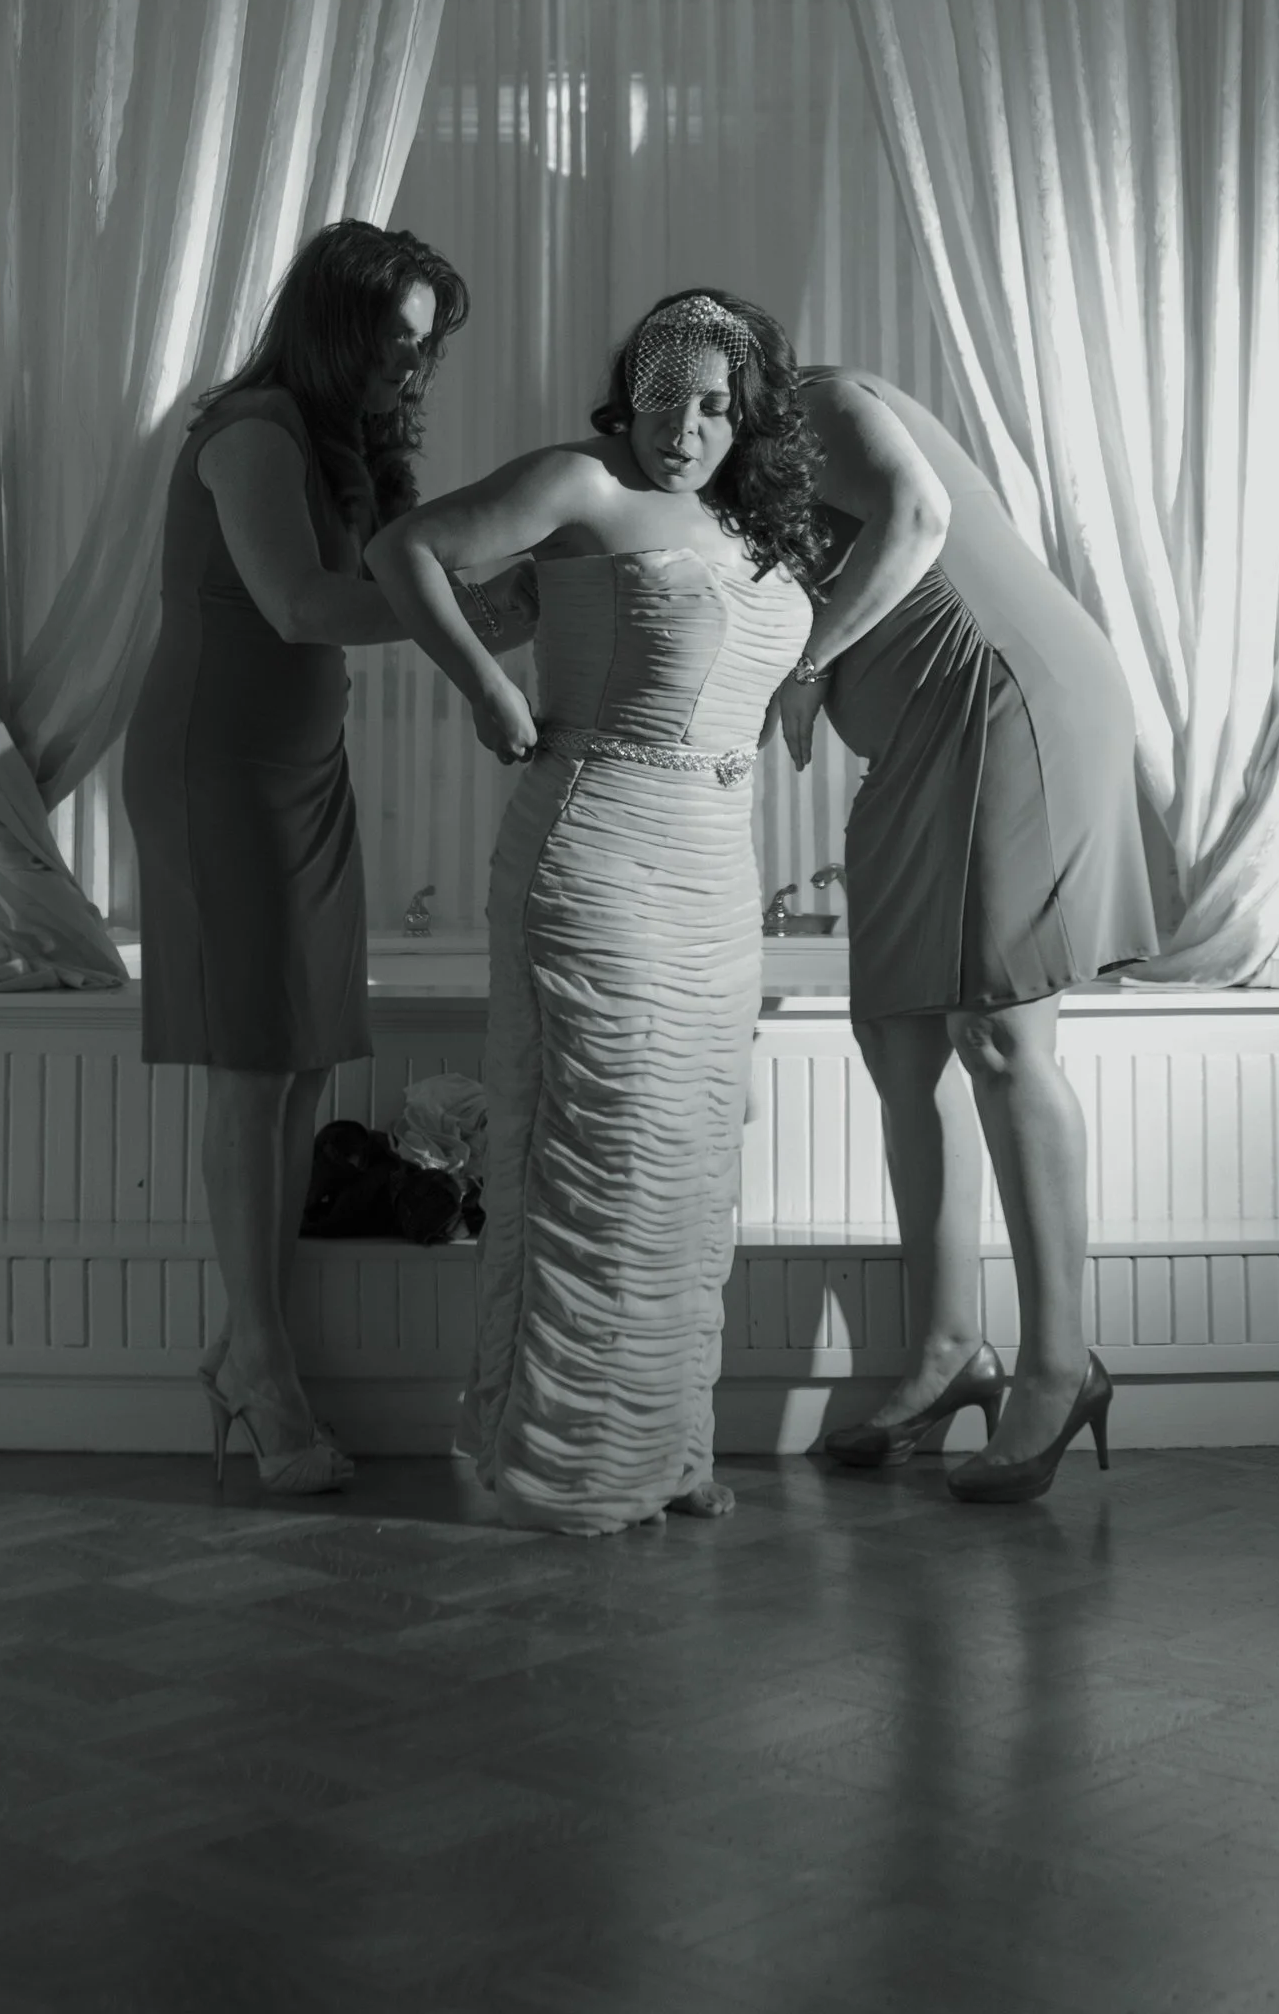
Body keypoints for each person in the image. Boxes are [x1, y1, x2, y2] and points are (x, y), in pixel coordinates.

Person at [366, 291, 817, 1535]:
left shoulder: (751, 520)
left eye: (717, 405)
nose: (685, 428)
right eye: (665, 398)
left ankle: (665, 1447)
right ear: (631, 393)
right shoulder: (582, 485)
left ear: (750, 411)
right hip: (598, 853)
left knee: (685, 1165)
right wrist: (481, 692)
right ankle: (569, 1464)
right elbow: (402, 550)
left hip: (716, 875)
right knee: (599, 1152)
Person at [123, 220, 472, 1499]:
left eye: (422, 351)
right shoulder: (256, 427)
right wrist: (471, 612)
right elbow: (300, 608)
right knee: (250, 1063)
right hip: (214, 766)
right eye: (392, 343)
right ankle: (262, 1373)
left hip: (300, 772)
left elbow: (394, 576)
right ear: (332, 327)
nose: (408, 371)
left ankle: (243, 1343)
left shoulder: (344, 440)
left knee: (303, 1058)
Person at [773, 370, 1156, 1504]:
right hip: (908, 749)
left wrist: (803, 671)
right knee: (898, 1043)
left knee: (997, 1036)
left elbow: (918, 518)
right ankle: (947, 1353)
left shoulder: (822, 401)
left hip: (1002, 698)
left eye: (710, 386)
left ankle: (1058, 1363)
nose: (690, 415)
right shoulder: (716, 478)